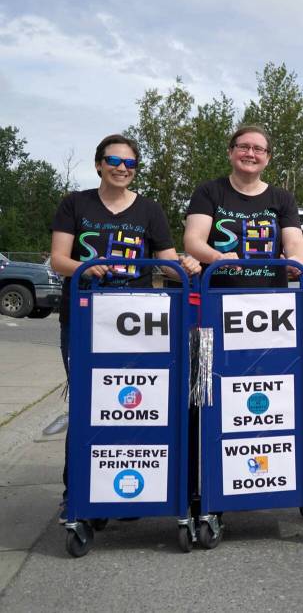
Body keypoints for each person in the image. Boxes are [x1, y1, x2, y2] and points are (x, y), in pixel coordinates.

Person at [49, 133, 201, 523]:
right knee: (88, 404)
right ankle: (78, 495)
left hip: (135, 321)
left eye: (130, 163)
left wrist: (183, 264)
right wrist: (84, 267)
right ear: (99, 163)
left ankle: (125, 488)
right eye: (114, 161)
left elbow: (165, 261)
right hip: (84, 317)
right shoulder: (75, 204)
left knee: (132, 405)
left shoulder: (149, 209)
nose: (121, 168)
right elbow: (58, 260)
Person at [183, 125, 303, 287]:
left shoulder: (283, 198)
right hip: (216, 294)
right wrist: (217, 257)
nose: (250, 154)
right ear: (230, 152)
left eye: (258, 149)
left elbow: (295, 242)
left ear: (268, 157)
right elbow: (193, 240)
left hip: (272, 298)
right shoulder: (208, 191)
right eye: (243, 147)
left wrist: (297, 259)